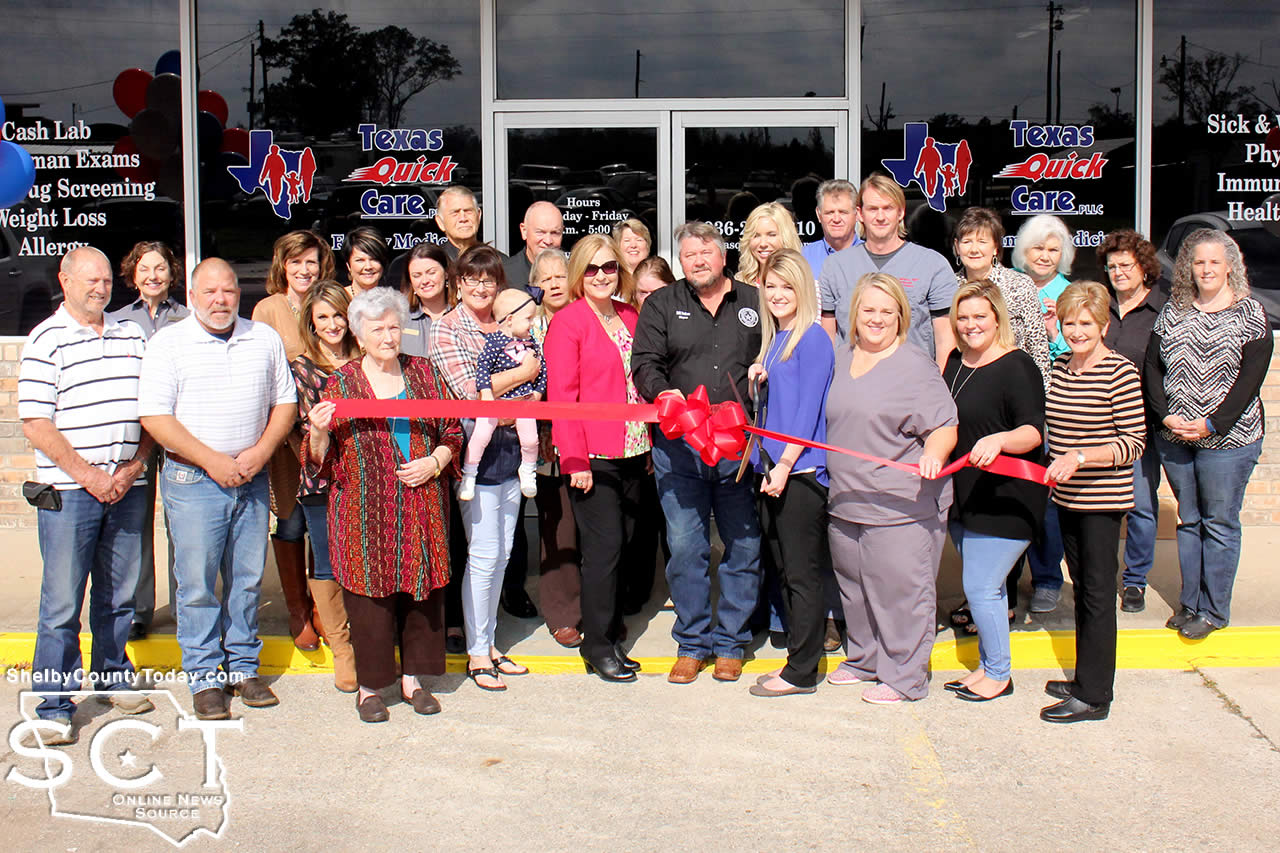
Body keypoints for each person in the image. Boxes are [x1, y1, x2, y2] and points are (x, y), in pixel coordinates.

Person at [139, 258, 297, 721]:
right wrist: (213, 460)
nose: (220, 300)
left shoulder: (261, 338)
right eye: (209, 292)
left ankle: (244, 667)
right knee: (197, 586)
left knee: (246, 581)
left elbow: (284, 402)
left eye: (227, 291)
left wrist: (259, 453)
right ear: (192, 295)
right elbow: (155, 417)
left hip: (250, 477)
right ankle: (206, 678)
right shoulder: (169, 343)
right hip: (193, 480)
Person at [304, 288, 463, 722]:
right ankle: (370, 687)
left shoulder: (425, 374)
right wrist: (318, 430)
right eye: (378, 329)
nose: (389, 337)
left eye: (394, 327)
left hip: (422, 505)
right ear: (359, 334)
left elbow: (453, 431)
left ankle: (414, 680)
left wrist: (435, 461)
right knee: (370, 604)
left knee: (421, 595)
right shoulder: (341, 383)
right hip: (363, 512)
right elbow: (319, 457)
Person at [19, 247, 155, 742]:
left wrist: (133, 467)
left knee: (118, 595)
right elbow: (36, 422)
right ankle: (54, 703)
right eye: (90, 280)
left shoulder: (130, 334)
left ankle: (113, 675)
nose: (101, 288)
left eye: (106, 280)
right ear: (65, 279)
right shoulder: (45, 340)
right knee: (60, 604)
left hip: (127, 485)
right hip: (70, 491)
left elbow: (151, 408)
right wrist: (90, 475)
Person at [633, 221, 762, 684]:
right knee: (687, 548)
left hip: (738, 449)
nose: (699, 261)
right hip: (679, 449)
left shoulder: (754, 301)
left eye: (707, 253)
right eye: (689, 255)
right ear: (681, 261)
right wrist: (663, 395)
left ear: (723, 256)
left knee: (742, 545)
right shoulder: (663, 305)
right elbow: (645, 363)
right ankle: (692, 641)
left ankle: (730, 642)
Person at [824, 272, 957, 704]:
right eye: (868, 310)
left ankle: (905, 676)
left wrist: (934, 454)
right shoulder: (842, 356)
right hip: (846, 500)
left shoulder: (914, 364)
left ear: (901, 316)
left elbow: (944, 426)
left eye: (887, 311)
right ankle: (865, 659)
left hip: (901, 506)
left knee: (900, 591)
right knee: (856, 589)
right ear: (853, 314)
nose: (876, 319)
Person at [1145, 229, 1271, 640]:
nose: (1207, 269)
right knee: (1189, 519)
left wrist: (1213, 423)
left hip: (1228, 442)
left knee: (1218, 522)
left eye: (1215, 261)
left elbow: (1250, 380)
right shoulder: (1174, 309)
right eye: (1199, 262)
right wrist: (1165, 417)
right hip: (1177, 436)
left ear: (1230, 266)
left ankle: (1214, 609)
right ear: (1188, 268)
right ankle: (1190, 602)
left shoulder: (1250, 313)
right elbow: (1153, 369)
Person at [1040, 281, 1145, 723]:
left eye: (1085, 323)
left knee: (1099, 595)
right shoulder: (1062, 365)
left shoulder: (1119, 372)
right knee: (1082, 589)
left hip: (1102, 501)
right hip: (1066, 498)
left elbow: (1133, 442)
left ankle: (1095, 695)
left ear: (1103, 324)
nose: (1077, 331)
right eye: (1070, 323)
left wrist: (1081, 456)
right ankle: (1085, 676)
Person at [429, 245, 533, 690]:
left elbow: (534, 393)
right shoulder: (446, 328)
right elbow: (467, 391)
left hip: (514, 451)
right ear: (458, 281)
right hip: (476, 456)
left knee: (503, 555)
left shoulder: (511, 325)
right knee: (484, 556)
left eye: (489, 280)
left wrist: (515, 394)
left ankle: (489, 644)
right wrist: (520, 377)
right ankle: (476, 654)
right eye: (472, 279)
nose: (481, 287)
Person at [545, 234, 647, 682]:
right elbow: (562, 399)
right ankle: (598, 646)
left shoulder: (630, 314)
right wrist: (575, 460)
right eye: (592, 269)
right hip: (595, 454)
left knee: (622, 545)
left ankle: (610, 635)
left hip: (635, 449)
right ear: (578, 275)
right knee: (602, 552)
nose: (602, 276)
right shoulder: (568, 323)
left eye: (609, 267)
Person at [942, 280, 1046, 702]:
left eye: (979, 316)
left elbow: (1031, 432)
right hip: (965, 494)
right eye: (963, 318)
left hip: (1007, 495)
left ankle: (999, 674)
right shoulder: (955, 361)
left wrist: (1001, 440)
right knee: (990, 589)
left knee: (981, 586)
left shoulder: (1017, 365)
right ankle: (987, 666)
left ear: (998, 317)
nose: (970, 326)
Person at [743, 249, 835, 698]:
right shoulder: (777, 338)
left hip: (800, 473)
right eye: (771, 286)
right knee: (785, 571)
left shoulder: (812, 338)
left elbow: (808, 409)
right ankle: (798, 660)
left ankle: (802, 671)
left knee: (801, 575)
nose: (778, 295)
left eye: (787, 286)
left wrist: (783, 465)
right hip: (776, 469)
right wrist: (759, 375)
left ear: (803, 289)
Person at [252, 230, 336, 652]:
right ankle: (298, 609)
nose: (304, 270)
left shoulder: (334, 304)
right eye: (295, 262)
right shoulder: (267, 309)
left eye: (312, 262)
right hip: (284, 439)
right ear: (281, 266)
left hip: (325, 438)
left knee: (323, 523)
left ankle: (324, 608)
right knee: (291, 521)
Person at [109, 240, 188, 641]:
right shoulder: (116, 321)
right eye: (145, 269)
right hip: (134, 437)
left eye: (160, 268)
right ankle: (139, 610)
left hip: (177, 432)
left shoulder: (190, 319)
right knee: (135, 525)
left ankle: (181, 605)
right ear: (133, 274)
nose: (153, 276)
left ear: (172, 273)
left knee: (180, 522)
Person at [291, 281, 362, 693]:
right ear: (312, 324)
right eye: (323, 317)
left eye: (338, 315)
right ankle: (342, 648)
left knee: (362, 557)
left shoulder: (366, 358)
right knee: (327, 563)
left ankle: (368, 636)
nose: (333, 324)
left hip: (366, 478)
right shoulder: (302, 369)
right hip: (323, 480)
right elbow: (309, 434)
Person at [819, 174, 957, 370]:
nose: (880, 216)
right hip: (852, 384)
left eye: (888, 208)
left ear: (901, 212)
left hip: (912, 385)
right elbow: (828, 337)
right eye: (873, 209)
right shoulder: (835, 267)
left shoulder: (932, 265)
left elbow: (946, 340)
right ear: (860, 213)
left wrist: (938, 387)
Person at [1010, 213, 1076, 613]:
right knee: (1014, 492)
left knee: (1046, 497)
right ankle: (1009, 576)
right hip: (1013, 407)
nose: (1045, 256)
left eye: (1054, 249)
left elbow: (1075, 354)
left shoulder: (1069, 293)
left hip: (1052, 409)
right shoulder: (1011, 287)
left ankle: (1048, 578)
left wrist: (1054, 333)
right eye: (1038, 247)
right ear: (1023, 251)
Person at [1098, 230, 1167, 614]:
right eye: (1112, 266)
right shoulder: (1100, 306)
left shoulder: (1163, 308)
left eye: (1126, 265)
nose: (1119, 272)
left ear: (1143, 268)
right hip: (1097, 422)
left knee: (1139, 504)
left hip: (1142, 423)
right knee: (1099, 506)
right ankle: (1102, 575)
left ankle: (1135, 580)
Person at [528, 248, 585, 648]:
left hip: (594, 439)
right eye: (544, 278)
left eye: (560, 275)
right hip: (548, 442)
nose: (553, 284)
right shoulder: (527, 326)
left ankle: (600, 608)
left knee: (597, 532)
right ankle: (563, 612)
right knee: (558, 527)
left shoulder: (590, 316)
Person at [459, 288, 545, 501]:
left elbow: (542, 370)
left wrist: (537, 393)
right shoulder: (494, 343)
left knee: (531, 440)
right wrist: (486, 392)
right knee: (480, 437)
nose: (532, 324)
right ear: (509, 320)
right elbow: (482, 369)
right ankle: (469, 475)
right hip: (495, 402)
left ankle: (528, 471)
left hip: (523, 402)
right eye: (528, 318)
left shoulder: (531, 343)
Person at [952, 207, 1051, 382]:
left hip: (1015, 380)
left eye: (982, 241)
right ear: (957, 247)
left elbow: (1038, 347)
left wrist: (1042, 394)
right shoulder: (948, 286)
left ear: (996, 247)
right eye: (967, 242)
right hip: (968, 381)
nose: (974, 249)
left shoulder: (1019, 284)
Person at [398, 242, 454, 358]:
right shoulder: (399, 318)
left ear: (446, 273)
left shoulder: (463, 314)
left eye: (431, 273)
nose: (425, 281)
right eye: (417, 275)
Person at [801, 178, 861, 280]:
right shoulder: (804, 257)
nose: (836, 219)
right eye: (830, 212)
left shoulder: (871, 256)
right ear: (818, 215)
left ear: (857, 214)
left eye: (843, 212)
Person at [736, 202, 803, 287]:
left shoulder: (804, 283)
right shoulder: (738, 283)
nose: (763, 243)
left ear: (786, 238)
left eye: (771, 235)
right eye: (756, 236)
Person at [503, 200, 564, 294]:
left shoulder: (571, 275)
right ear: (524, 231)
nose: (548, 241)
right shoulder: (505, 276)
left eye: (555, 233)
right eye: (540, 232)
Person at [434, 185, 483, 261]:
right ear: (440, 222)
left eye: (468, 211)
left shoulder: (499, 263)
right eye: (455, 213)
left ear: (478, 216)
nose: (463, 218)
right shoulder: (433, 263)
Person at [343, 226, 390, 297]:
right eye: (360, 260)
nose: (368, 267)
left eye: (374, 259)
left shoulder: (393, 301)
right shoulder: (337, 300)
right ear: (348, 265)